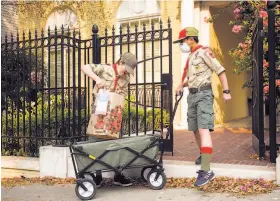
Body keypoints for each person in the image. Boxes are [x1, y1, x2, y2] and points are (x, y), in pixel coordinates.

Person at [173, 27, 232, 187]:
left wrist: (226, 91)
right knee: (194, 128)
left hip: (203, 95)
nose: (181, 45)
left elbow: (220, 70)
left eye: (182, 41)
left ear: (190, 39)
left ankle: (206, 170)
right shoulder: (192, 56)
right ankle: (202, 154)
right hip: (192, 95)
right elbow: (192, 77)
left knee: (203, 129)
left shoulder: (204, 52)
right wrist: (181, 85)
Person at [81, 52, 138, 188]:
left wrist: (118, 94)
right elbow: (85, 67)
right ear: (121, 62)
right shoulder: (105, 69)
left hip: (113, 114)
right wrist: (96, 79)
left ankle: (118, 175)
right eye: (126, 69)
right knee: (95, 144)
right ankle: (97, 176)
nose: (126, 73)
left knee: (116, 143)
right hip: (99, 112)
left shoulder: (126, 79)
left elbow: (122, 97)